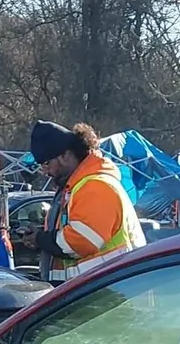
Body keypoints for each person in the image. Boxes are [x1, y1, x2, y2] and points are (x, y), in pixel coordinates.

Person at [27, 120, 144, 283]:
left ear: (65, 155)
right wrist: (41, 236)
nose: (46, 171)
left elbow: (81, 241)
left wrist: (40, 239)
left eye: (47, 163)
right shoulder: (79, 187)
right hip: (102, 289)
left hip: (110, 291)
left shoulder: (95, 186)